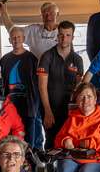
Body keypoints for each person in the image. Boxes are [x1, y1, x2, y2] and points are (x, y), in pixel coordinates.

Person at [36, 20, 84, 149]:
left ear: (72, 37)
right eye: (61, 35)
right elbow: (42, 87)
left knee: (69, 142)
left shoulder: (77, 60)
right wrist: (47, 111)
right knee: (51, 142)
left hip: (70, 110)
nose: (64, 38)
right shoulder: (47, 56)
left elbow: (79, 88)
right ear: (57, 36)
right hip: (50, 108)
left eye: (68, 35)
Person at [0, 26, 41, 149]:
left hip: (29, 105)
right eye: (13, 38)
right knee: (12, 140)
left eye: (18, 37)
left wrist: (36, 105)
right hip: (11, 105)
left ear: (23, 38)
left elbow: (37, 84)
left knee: (29, 141)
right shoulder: (5, 60)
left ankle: (30, 160)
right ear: (9, 40)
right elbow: (3, 83)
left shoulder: (32, 59)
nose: (16, 40)